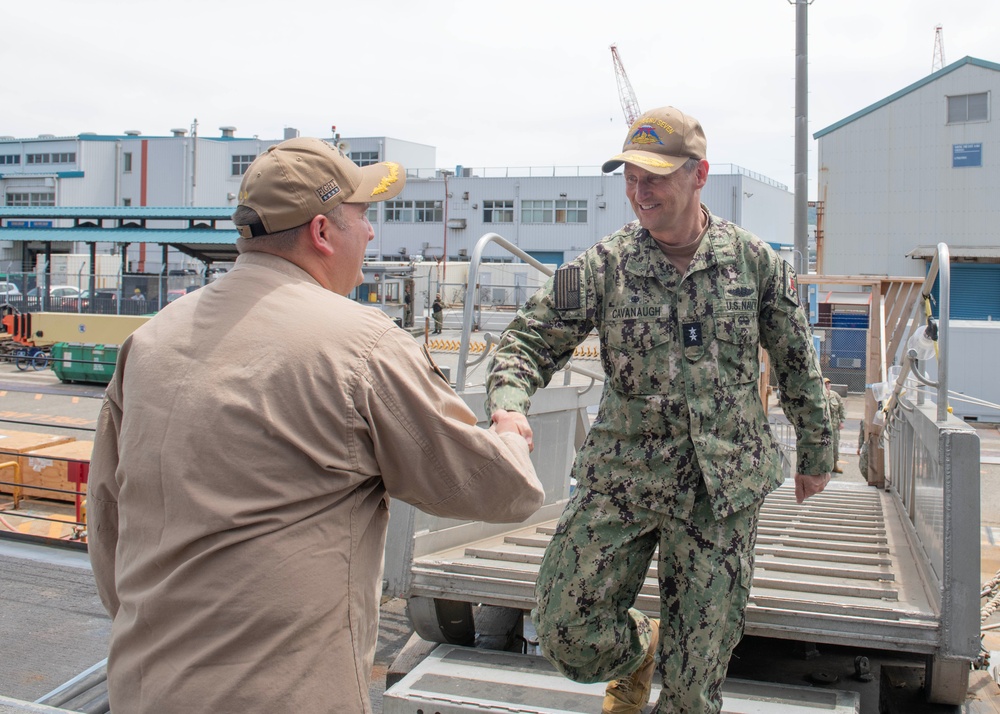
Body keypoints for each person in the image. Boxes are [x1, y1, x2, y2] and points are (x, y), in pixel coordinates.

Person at [88, 137, 544, 714]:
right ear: (323, 232)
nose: (372, 234)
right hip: (282, 694)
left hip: (143, 685)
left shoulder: (151, 339)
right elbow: (500, 489)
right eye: (363, 217)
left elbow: (106, 519)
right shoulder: (360, 344)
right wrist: (509, 431)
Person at [485, 106, 833, 714]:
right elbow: (527, 340)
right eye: (629, 176)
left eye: (655, 177)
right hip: (624, 477)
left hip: (720, 489)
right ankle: (639, 648)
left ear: (699, 175)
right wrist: (509, 405)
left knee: (694, 684)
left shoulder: (753, 263)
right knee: (565, 630)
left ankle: (673, 672)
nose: (639, 191)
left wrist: (816, 451)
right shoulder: (604, 266)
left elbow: (798, 360)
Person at [825, 377, 846, 473]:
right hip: (823, 427)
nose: (827, 386)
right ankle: (824, 467)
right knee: (824, 447)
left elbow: (841, 407)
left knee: (835, 446)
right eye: (825, 384)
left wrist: (842, 421)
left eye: (828, 384)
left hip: (834, 426)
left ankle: (834, 465)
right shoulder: (819, 396)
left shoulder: (835, 395)